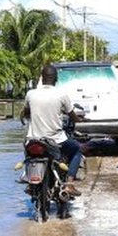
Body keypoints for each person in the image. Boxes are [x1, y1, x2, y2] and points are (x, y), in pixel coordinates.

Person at [21, 65, 84, 197]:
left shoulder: (30, 94)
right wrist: (80, 120)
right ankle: (69, 184)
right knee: (77, 149)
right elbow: (73, 116)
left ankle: (28, 179)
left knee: (27, 152)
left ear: (42, 78)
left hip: (34, 139)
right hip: (57, 140)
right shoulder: (61, 95)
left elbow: (25, 113)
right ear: (55, 79)